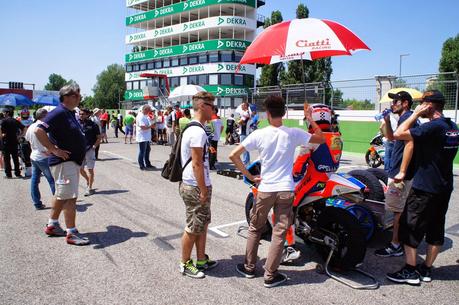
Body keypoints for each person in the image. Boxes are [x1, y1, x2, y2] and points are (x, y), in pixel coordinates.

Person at [229, 96, 325, 288]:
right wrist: (310, 118)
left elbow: (233, 155)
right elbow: (321, 139)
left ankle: (249, 268)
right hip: (286, 189)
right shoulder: (293, 133)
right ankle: (270, 276)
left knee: (255, 228)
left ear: (267, 114)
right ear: (284, 112)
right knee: (280, 233)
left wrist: (249, 175)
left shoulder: (259, 134)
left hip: (265, 189)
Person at [386, 90, 459, 285]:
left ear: (430, 105)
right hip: (444, 187)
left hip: (425, 187)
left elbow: (399, 134)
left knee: (410, 228)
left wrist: (416, 114)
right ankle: (426, 269)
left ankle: (410, 270)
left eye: (422, 103)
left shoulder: (432, 127)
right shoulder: (453, 127)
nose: (419, 106)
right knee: (436, 230)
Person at [35, 82, 90, 246]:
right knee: (69, 198)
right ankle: (71, 233)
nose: (79, 97)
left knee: (61, 195)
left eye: (79, 94)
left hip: (69, 163)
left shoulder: (69, 113)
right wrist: (53, 149)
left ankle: (52, 224)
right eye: (76, 95)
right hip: (63, 163)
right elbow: (39, 130)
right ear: (66, 97)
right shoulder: (59, 112)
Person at [375, 91, 418, 257]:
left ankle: (395, 245)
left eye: (396, 102)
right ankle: (397, 242)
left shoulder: (409, 119)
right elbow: (393, 138)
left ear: (405, 103)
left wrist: (402, 171)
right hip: (399, 170)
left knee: (397, 210)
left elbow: (411, 145)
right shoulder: (403, 119)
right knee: (397, 208)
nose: (392, 104)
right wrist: (386, 120)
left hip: (401, 174)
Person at [179, 92, 218, 278]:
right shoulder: (197, 131)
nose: (214, 109)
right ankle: (185, 263)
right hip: (195, 185)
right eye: (212, 105)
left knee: (202, 224)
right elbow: (196, 164)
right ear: (202, 105)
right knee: (193, 227)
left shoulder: (198, 128)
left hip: (197, 184)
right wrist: (203, 189)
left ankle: (201, 259)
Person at [25, 108, 55, 210]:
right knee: (52, 180)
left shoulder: (31, 126)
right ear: (44, 116)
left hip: (34, 155)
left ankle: (37, 203)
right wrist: (50, 150)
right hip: (44, 156)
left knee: (34, 180)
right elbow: (48, 140)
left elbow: (28, 141)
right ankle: (59, 202)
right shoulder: (44, 126)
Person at [79, 108, 102, 196]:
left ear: (87, 115)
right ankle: (88, 180)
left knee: (90, 169)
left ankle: (89, 188)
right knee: (80, 169)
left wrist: (94, 146)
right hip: (80, 151)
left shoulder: (93, 125)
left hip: (89, 150)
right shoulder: (77, 124)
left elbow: (99, 137)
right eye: (80, 114)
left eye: (83, 114)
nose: (81, 115)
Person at [0, 108, 24, 178]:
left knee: (7, 159)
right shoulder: (15, 121)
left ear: (7, 113)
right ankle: (17, 173)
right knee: (15, 158)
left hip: (5, 142)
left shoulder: (3, 121)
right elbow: (24, 128)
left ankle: (8, 174)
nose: (3, 114)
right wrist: (20, 136)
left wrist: (1, 136)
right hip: (14, 141)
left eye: (4, 112)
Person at [136, 105, 154, 170]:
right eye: (148, 110)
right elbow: (142, 127)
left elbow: (148, 124)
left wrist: (152, 123)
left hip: (146, 137)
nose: (149, 112)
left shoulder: (145, 116)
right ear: (145, 109)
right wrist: (150, 126)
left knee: (147, 150)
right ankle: (141, 165)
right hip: (142, 137)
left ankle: (147, 163)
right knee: (142, 151)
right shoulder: (140, 116)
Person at [17, 108, 34, 177]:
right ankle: (21, 164)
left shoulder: (31, 120)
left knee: (28, 153)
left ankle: (28, 168)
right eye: (23, 114)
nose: (25, 115)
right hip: (21, 138)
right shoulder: (18, 120)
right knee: (20, 152)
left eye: (26, 114)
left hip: (28, 138)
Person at [237, 101, 251, 165]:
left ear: (246, 106)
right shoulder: (246, 113)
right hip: (245, 132)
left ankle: (245, 162)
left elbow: (240, 122)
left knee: (243, 148)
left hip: (244, 133)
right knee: (246, 148)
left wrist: (239, 121)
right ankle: (247, 162)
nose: (241, 106)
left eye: (242, 105)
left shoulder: (246, 113)